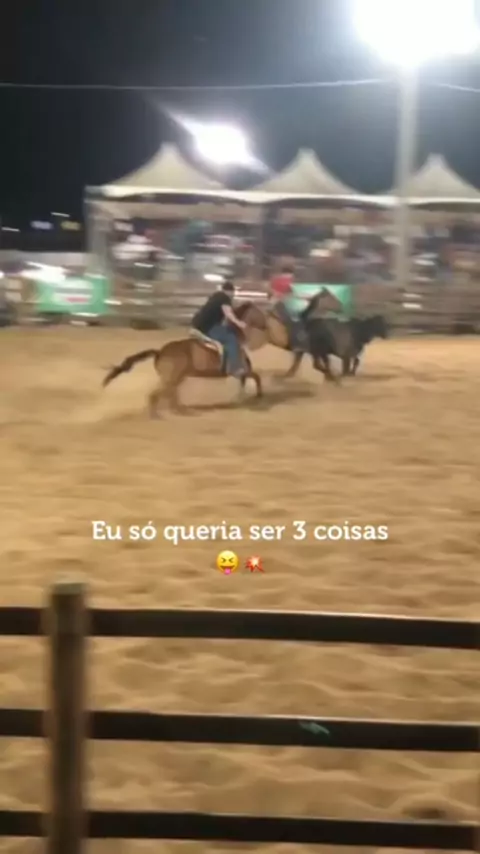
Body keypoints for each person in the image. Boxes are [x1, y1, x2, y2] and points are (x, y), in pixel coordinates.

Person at [191, 280, 247, 377]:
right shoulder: (224, 298)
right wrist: (239, 323)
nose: (233, 296)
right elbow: (228, 314)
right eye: (233, 293)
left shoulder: (216, 296)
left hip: (197, 325)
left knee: (226, 331)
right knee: (231, 338)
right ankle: (235, 368)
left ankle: (226, 361)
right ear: (230, 291)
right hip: (208, 328)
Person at [268, 265, 306, 353]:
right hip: (279, 305)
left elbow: (271, 292)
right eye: (292, 275)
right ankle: (294, 345)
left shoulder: (275, 280)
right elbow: (294, 294)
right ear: (290, 274)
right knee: (293, 322)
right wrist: (307, 297)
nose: (292, 277)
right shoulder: (288, 282)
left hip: (274, 304)